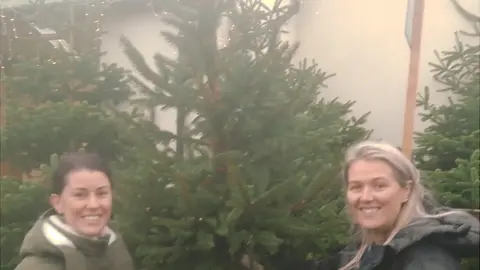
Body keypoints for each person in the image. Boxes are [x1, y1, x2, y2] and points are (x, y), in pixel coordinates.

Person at [330, 140, 479, 270]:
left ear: (406, 191)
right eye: (356, 187)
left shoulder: (425, 259)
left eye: (379, 186)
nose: (366, 197)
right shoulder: (367, 248)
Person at [15, 152, 134, 270]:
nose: (93, 205)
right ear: (58, 203)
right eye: (80, 195)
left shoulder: (116, 250)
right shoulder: (37, 266)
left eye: (101, 193)